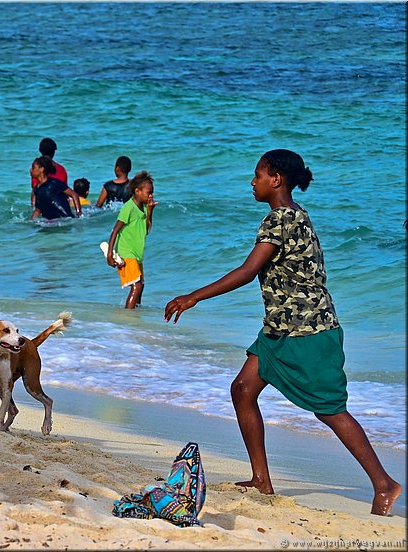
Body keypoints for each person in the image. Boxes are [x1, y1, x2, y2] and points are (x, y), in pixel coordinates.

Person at [164, 149, 401, 516]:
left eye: (257, 175)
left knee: (331, 410)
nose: (252, 181)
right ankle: (261, 480)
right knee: (243, 389)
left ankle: (384, 484)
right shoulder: (295, 216)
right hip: (280, 329)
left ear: (276, 179)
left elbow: (247, 271)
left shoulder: (280, 220)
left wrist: (193, 296)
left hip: (308, 331)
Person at [105, 171, 156, 308]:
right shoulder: (129, 208)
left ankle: (135, 318)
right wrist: (110, 254)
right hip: (126, 252)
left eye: (152, 192)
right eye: (148, 192)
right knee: (136, 286)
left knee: (141, 286)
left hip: (137, 254)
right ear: (137, 191)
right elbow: (115, 230)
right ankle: (128, 318)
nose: (151, 195)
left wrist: (150, 211)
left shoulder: (145, 207)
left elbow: (146, 230)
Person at [30, 156, 81, 220]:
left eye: (33, 168)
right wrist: (30, 221)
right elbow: (38, 209)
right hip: (52, 222)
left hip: (66, 219)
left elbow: (74, 194)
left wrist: (79, 214)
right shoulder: (36, 189)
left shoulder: (54, 183)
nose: (30, 170)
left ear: (41, 169)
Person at [30, 138, 68, 207]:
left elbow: (35, 190)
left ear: (40, 150)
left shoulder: (37, 168)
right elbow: (65, 192)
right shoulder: (61, 169)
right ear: (54, 152)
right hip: (59, 204)